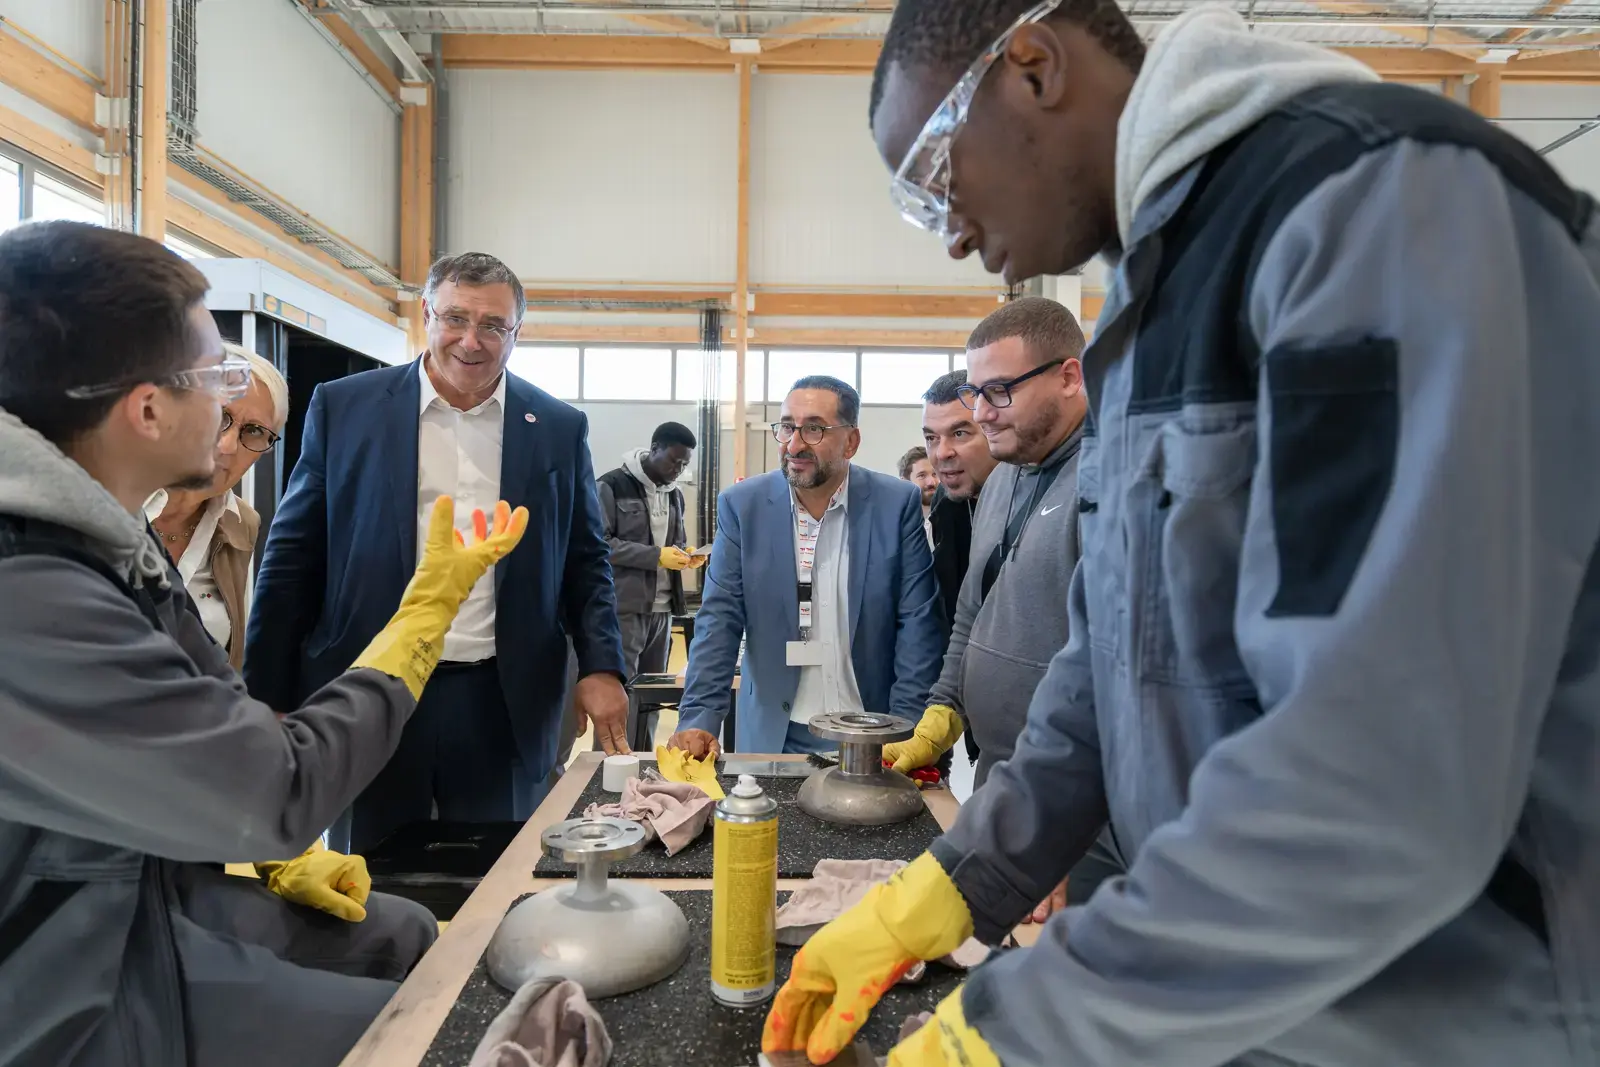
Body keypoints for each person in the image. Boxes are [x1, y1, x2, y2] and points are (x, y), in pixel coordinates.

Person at [763, 1, 1600, 1065]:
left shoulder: (1374, 211)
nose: (954, 232)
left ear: (1032, 66)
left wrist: (1019, 1026)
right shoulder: (1150, 309)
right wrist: (954, 879)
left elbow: (1379, 768)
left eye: (935, 178)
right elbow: (1118, 661)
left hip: (1448, 1016)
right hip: (1242, 998)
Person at [0, 221, 528, 1067]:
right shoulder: (32, 585)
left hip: (129, 883)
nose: (230, 411)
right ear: (145, 408)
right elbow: (276, 783)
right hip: (64, 961)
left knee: (409, 930)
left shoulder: (101, 546)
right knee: (437, 1029)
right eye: (215, 376)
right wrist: (425, 611)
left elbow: (213, 717)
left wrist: (276, 859)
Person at [247, 251, 629, 854]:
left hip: (500, 695)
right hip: (369, 683)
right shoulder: (345, 407)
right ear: (427, 314)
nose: (471, 341)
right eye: (455, 318)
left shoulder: (556, 426)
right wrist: (266, 693)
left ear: (516, 332)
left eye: (493, 326)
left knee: (498, 881)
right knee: (361, 879)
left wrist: (601, 666)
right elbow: (293, 556)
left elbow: (586, 559)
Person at [667, 376, 945, 756]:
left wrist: (906, 726)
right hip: (774, 731)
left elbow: (917, 623)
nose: (794, 444)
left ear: (851, 441)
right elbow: (719, 620)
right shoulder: (742, 507)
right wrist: (699, 716)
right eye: (786, 427)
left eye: (814, 428)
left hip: (871, 732)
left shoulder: (895, 505)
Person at [144, 345, 288, 668]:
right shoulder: (105, 498)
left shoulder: (241, 525)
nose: (227, 446)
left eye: (253, 431)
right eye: (219, 415)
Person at [595, 421, 705, 680]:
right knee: (624, 685)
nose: (677, 470)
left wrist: (687, 553)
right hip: (626, 607)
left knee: (653, 688)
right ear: (654, 448)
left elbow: (675, 541)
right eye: (673, 461)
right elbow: (600, 544)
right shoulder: (611, 486)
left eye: (684, 465)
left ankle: (647, 725)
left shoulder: (674, 494)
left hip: (664, 608)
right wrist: (656, 556)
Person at [919, 370, 999, 644]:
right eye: (931, 438)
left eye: (960, 433)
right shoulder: (946, 500)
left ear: (992, 428)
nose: (942, 453)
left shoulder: (1036, 500)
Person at [897, 444, 939, 545]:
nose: (931, 482)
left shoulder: (956, 518)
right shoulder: (895, 527)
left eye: (935, 474)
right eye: (922, 476)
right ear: (905, 483)